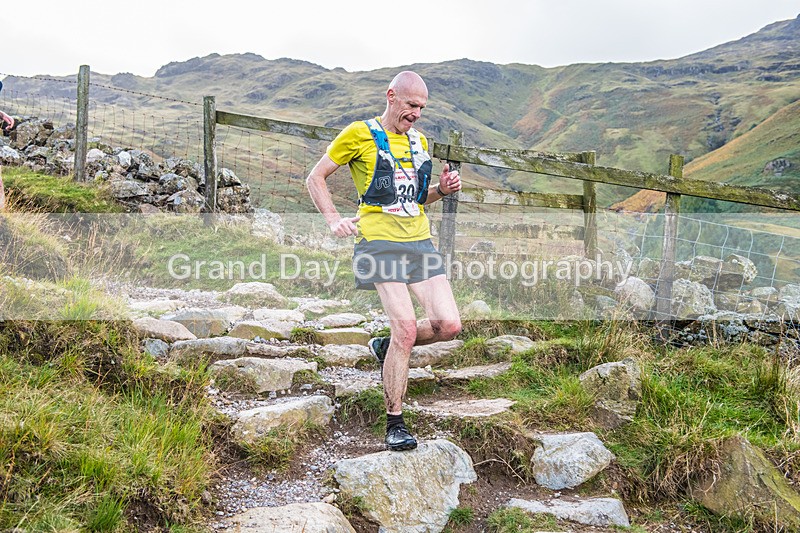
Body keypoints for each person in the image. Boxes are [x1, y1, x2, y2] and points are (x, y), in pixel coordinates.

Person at [306, 71, 462, 451]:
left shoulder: (419, 141)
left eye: (422, 108)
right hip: (378, 242)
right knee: (405, 330)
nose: (416, 114)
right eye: (411, 105)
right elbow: (315, 177)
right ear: (391, 96)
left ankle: (384, 346)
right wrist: (333, 219)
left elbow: (415, 198)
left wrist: (441, 189)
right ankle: (395, 422)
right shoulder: (359, 133)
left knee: (449, 325)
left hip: (419, 242)